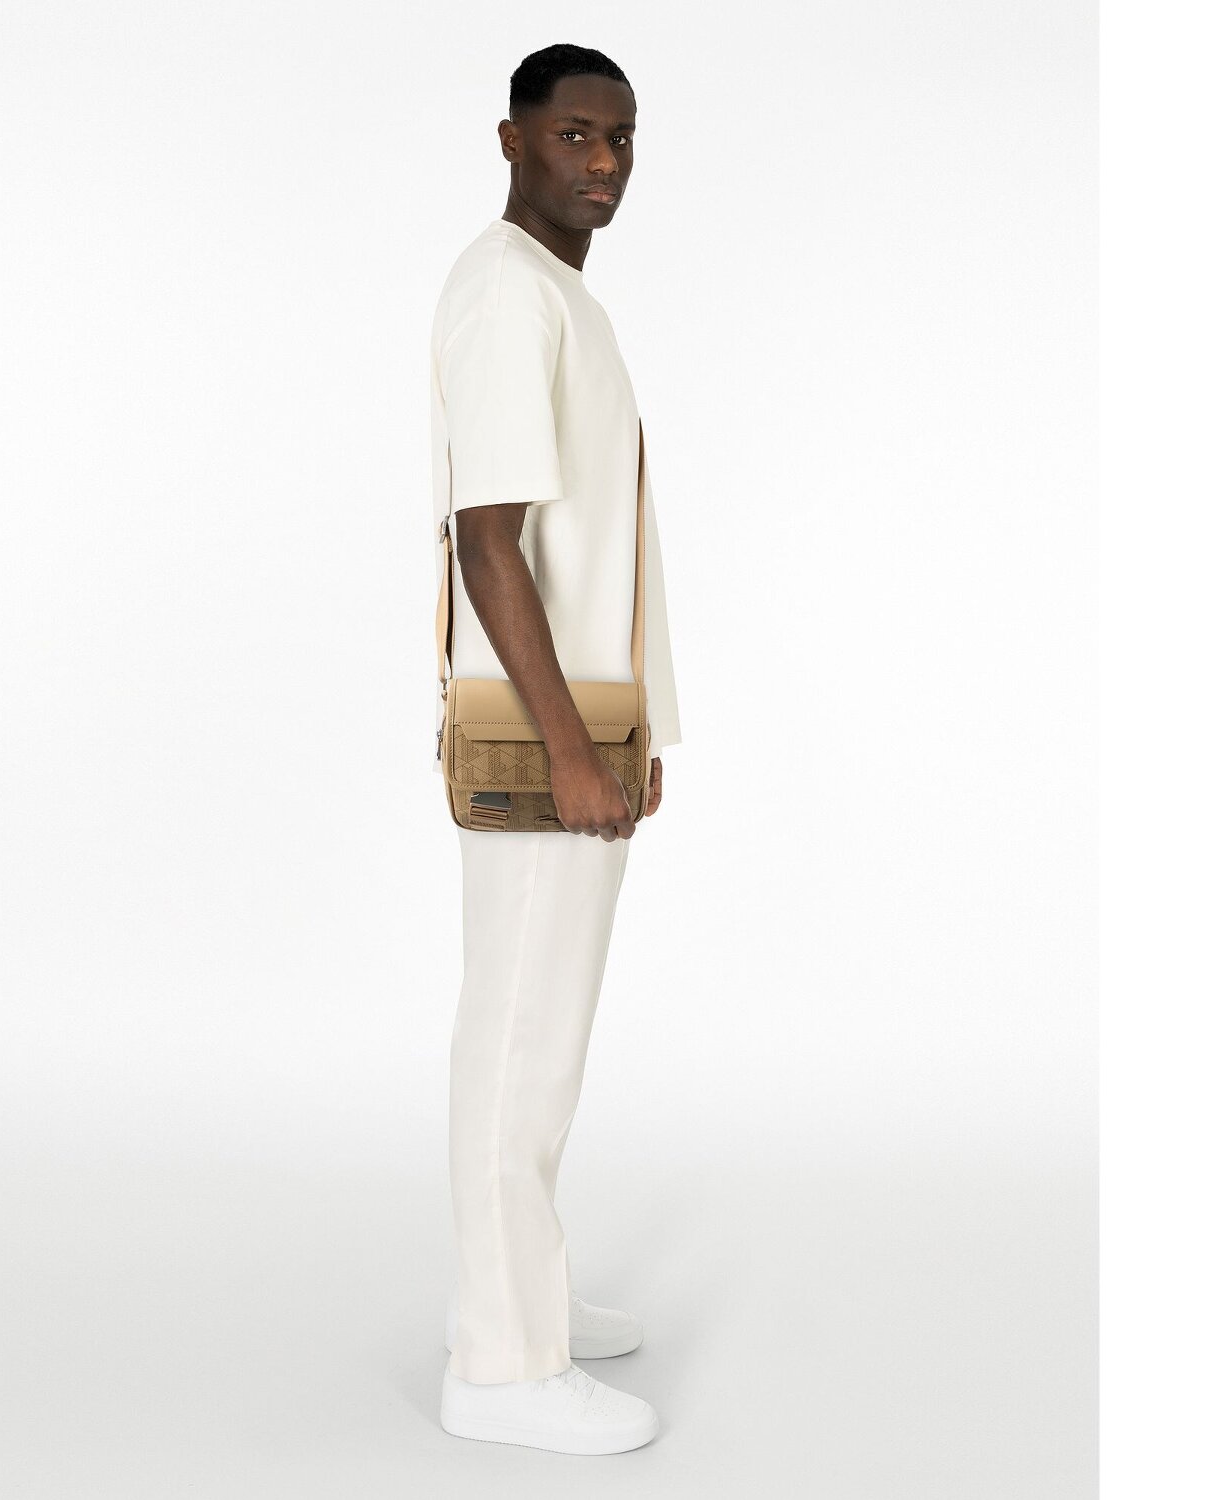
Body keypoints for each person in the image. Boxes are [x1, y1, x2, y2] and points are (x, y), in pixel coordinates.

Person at [426, 44, 683, 1455]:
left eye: (622, 139)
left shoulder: (558, 293)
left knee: (547, 1038)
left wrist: (637, 731)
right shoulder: (507, 294)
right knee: (518, 1042)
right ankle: (502, 1368)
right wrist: (573, 749)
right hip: (542, 735)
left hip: (583, 722)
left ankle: (523, 1294)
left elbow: (590, 548)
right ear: (513, 138)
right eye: (576, 134)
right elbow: (489, 541)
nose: (604, 162)